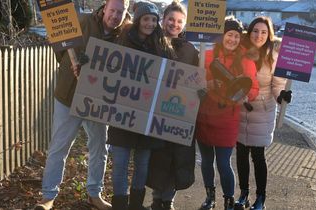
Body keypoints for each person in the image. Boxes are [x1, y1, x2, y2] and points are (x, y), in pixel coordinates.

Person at [34, 1, 131, 210]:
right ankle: (48, 196)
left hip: (98, 101)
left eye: (120, 12)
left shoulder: (124, 35)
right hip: (68, 96)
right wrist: (72, 66)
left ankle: (94, 194)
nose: (115, 15)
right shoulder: (82, 21)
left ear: (125, 13)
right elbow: (61, 49)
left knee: (99, 147)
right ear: (105, 8)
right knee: (59, 147)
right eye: (113, 10)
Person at [106, 1, 176, 210]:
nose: (150, 24)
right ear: (138, 21)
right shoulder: (122, 41)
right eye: (146, 19)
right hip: (123, 114)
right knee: (120, 162)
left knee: (142, 165)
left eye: (154, 20)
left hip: (148, 117)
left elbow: (172, 78)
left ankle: (136, 204)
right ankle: (120, 204)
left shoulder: (162, 47)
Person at [195, 16, 259, 210]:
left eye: (236, 36)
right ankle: (209, 198)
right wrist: (208, 84)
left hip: (228, 118)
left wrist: (247, 96)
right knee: (206, 161)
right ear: (222, 35)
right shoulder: (205, 56)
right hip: (205, 115)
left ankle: (229, 201)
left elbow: (253, 87)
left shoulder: (247, 60)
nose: (233, 39)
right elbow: (193, 83)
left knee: (223, 162)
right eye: (229, 35)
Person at [234, 16, 291, 210]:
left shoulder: (274, 54)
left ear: (269, 34)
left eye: (264, 32)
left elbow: (277, 85)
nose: (259, 35)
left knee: (258, 156)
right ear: (249, 33)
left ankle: (261, 198)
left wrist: (282, 95)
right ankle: (243, 194)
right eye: (255, 31)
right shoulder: (241, 53)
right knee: (240, 154)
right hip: (240, 109)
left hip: (263, 111)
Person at [145, 1, 198, 210]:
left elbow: (197, 78)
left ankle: (168, 200)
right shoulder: (151, 43)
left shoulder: (190, 50)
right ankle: (157, 199)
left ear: (184, 24)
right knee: (157, 156)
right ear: (163, 19)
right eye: (171, 19)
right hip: (154, 109)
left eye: (179, 21)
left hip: (179, 111)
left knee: (176, 157)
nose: (174, 24)